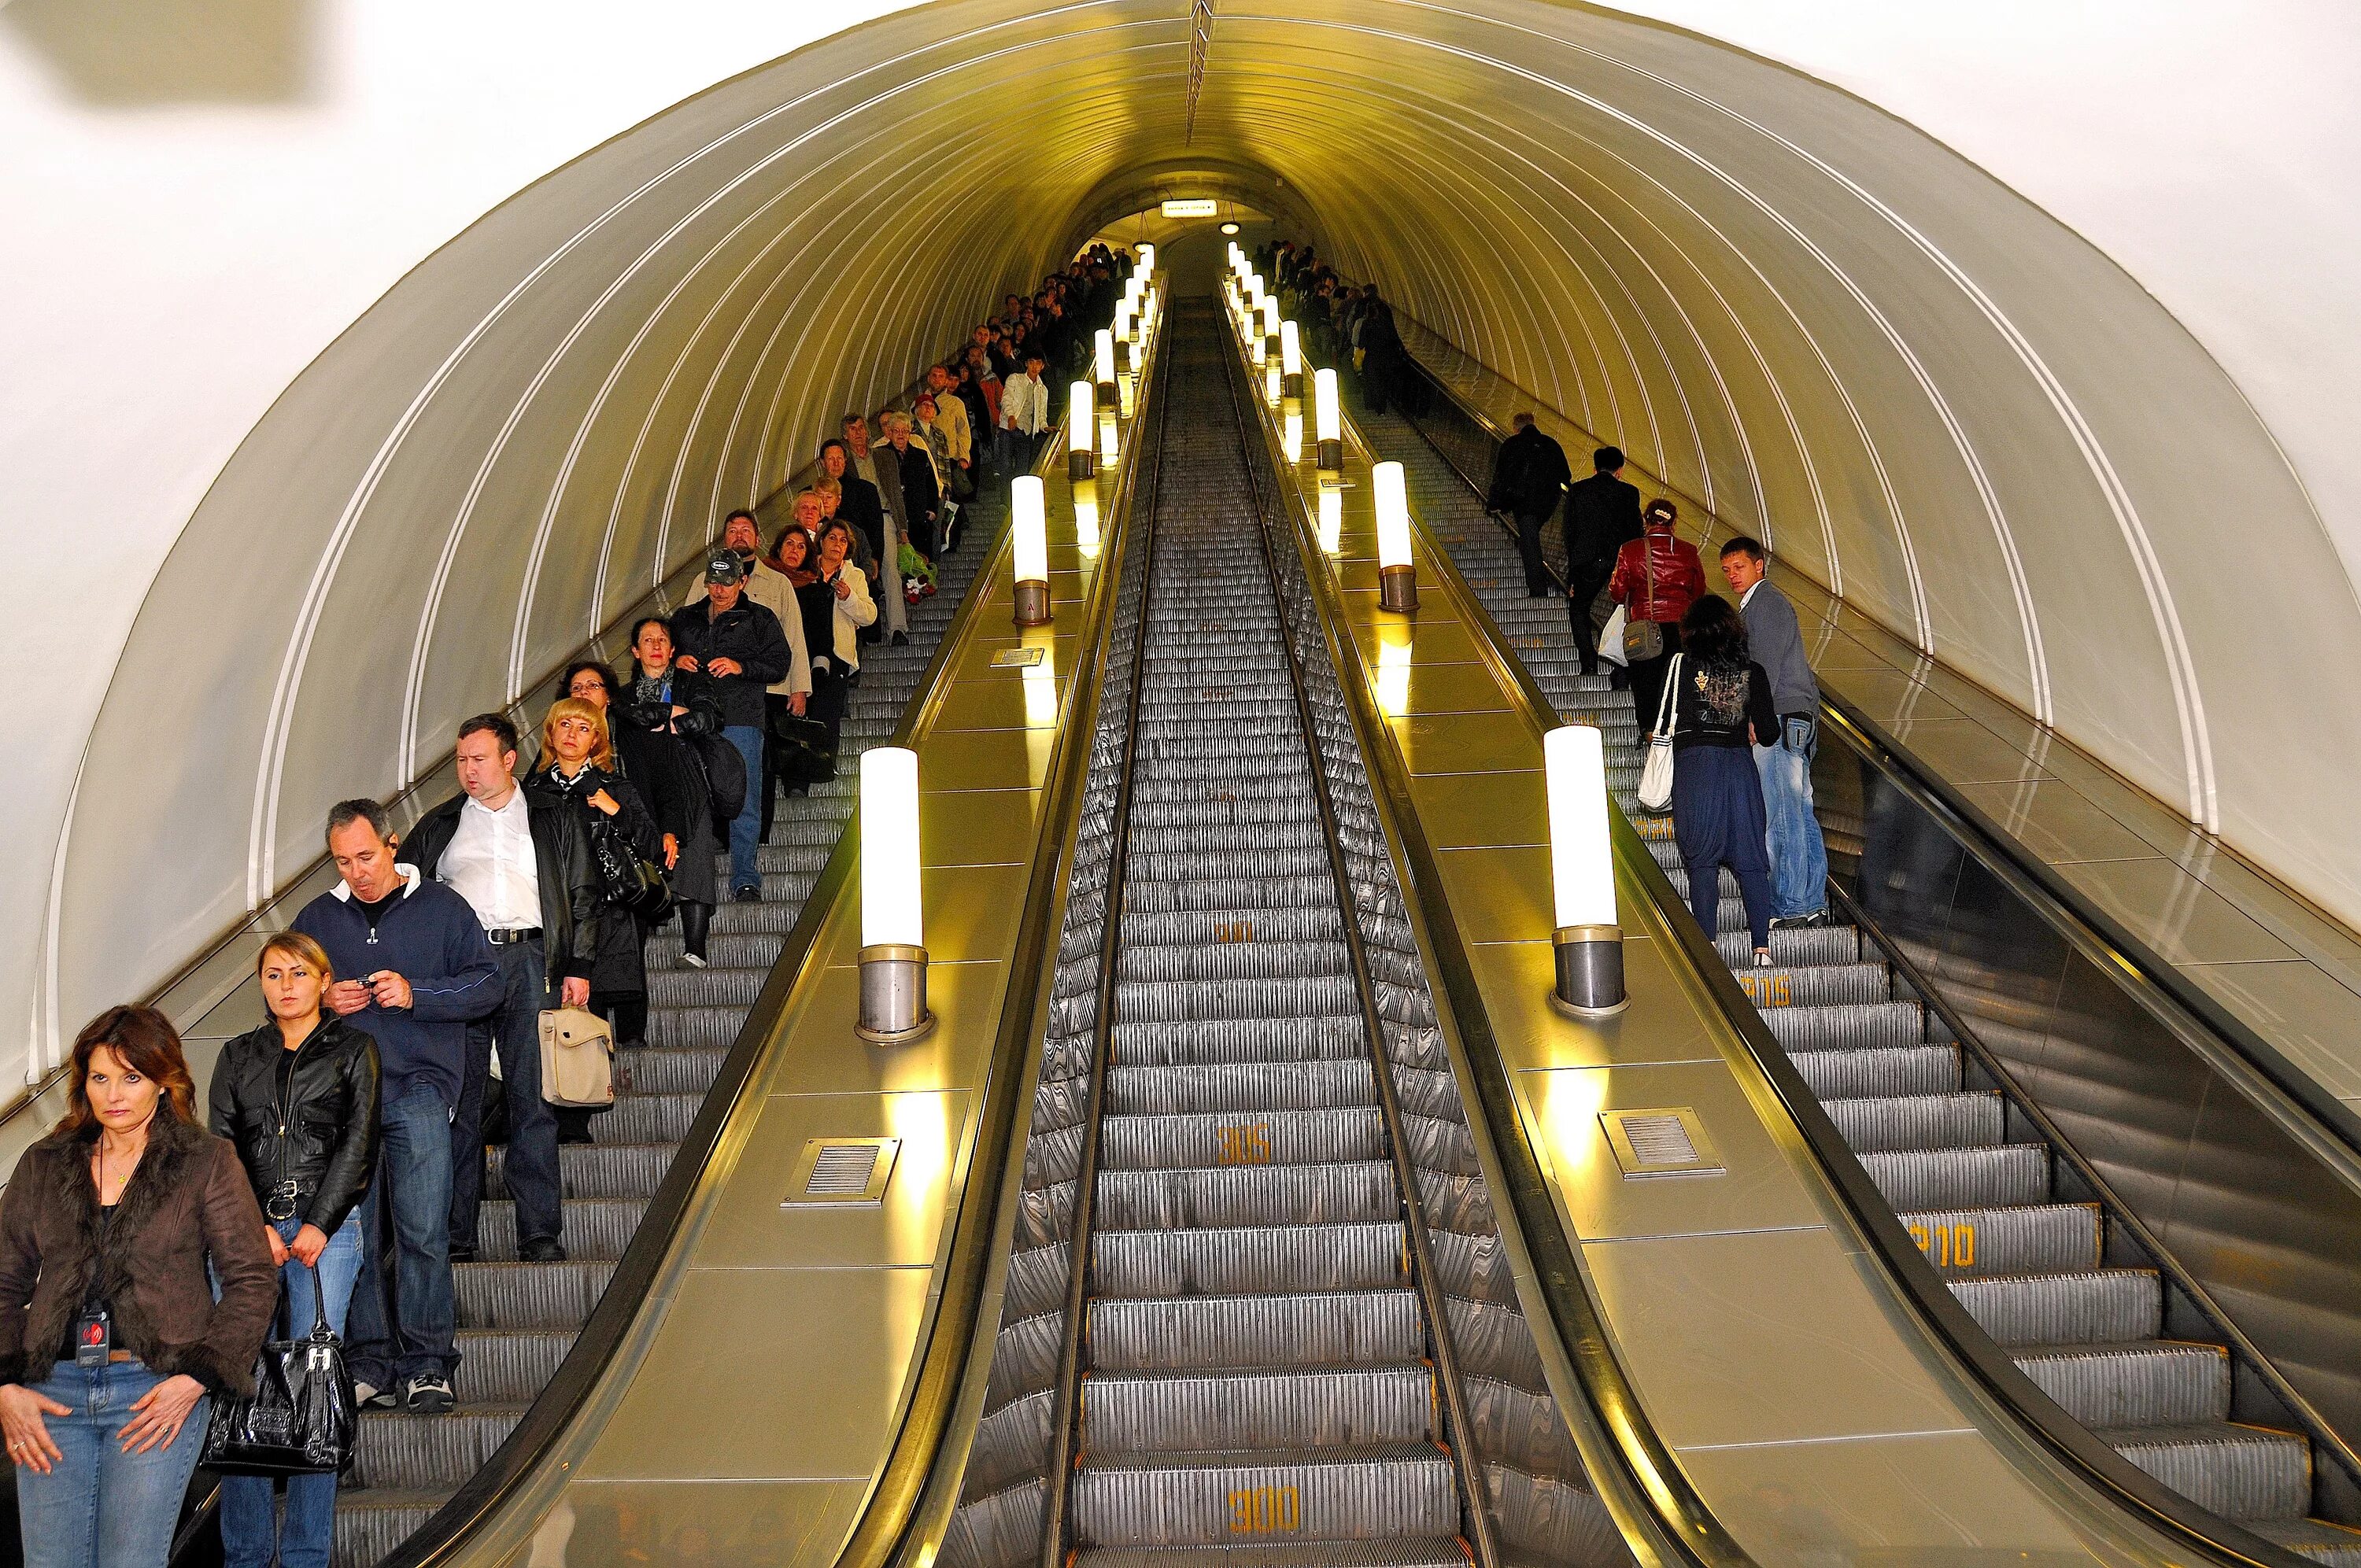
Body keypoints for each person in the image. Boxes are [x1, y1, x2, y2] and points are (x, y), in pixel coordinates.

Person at [0, 1007, 275, 1568]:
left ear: (163, 1079)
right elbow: (3, 1280)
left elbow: (251, 1277)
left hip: (153, 1393)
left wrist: (198, 1376)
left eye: (131, 1077)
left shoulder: (205, 1160)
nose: (114, 1094)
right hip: (51, 1393)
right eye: (100, 1077)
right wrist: (6, 1384)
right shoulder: (44, 1162)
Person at [293, 799, 496, 1414]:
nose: (356, 871)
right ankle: (371, 1363)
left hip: (420, 1092)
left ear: (392, 843)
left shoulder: (442, 907)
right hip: (345, 1102)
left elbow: (489, 983)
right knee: (354, 1236)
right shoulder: (319, 918)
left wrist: (418, 993)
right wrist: (324, 999)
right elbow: (283, 993)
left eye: (365, 855)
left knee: (423, 1232)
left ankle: (429, 1363)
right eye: (342, 861)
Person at [399, 714, 601, 1268]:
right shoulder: (441, 824)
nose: (467, 769)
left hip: (530, 958)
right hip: (462, 968)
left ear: (509, 759)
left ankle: (538, 1233)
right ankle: (458, 1236)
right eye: (462, 759)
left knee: (532, 1099)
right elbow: (403, 892)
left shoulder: (552, 815)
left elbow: (584, 890)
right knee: (461, 1104)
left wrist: (578, 966)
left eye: (478, 758)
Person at [208, 933, 380, 1568]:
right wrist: (250, 1227)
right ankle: (246, 1555)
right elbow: (220, 1147)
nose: (286, 984)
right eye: (274, 973)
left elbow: (359, 1142)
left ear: (323, 980)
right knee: (240, 1381)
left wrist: (321, 1223)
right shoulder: (235, 1055)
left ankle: (308, 1553)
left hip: (325, 1232)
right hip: (244, 1236)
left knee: (316, 1389)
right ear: (260, 982)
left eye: (299, 973)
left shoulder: (355, 1049)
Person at [529, 696, 667, 1141]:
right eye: (563, 724)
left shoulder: (614, 786)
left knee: (593, 1015)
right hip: (550, 916)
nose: (572, 733)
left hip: (606, 914)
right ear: (550, 734)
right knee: (557, 1015)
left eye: (583, 727)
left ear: (597, 740)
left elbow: (651, 844)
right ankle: (562, 1114)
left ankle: (584, 1104)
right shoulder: (530, 794)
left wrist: (615, 811)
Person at [1722, 537, 1831, 928]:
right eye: (1727, 570)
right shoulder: (1762, 605)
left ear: (1759, 566)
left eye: (1740, 567)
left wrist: (1755, 718)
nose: (1733, 575)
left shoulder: (1765, 605)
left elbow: (1762, 668)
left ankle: (1789, 906)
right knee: (1801, 811)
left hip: (1780, 716)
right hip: (1794, 715)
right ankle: (1813, 900)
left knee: (1783, 813)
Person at [671, 550, 793, 902]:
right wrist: (676, 660)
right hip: (692, 718)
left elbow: (779, 663)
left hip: (741, 719)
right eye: (713, 582)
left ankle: (745, 876)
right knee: (693, 798)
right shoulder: (686, 619)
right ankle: (693, 880)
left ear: (742, 582)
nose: (720, 590)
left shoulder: (760, 619)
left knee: (744, 798)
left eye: (727, 583)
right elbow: (657, 651)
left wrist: (741, 667)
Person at [1667, 596, 1779, 966]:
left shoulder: (1682, 666)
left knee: (1702, 861)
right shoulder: (1754, 671)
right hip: (1737, 766)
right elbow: (1769, 732)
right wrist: (1747, 726)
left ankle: (1707, 949)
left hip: (1697, 767)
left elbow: (1667, 713)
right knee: (1750, 857)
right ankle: (1761, 947)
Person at [691, 511, 811, 843]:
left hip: (768, 688)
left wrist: (799, 688)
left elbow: (793, 637)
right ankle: (720, 838)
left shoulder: (778, 582)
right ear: (723, 538)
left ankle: (757, 836)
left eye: (746, 530)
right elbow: (686, 633)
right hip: (714, 695)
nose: (739, 536)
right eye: (732, 530)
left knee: (761, 766)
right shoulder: (702, 584)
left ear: (757, 539)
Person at [614, 618, 722, 965]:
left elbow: (709, 719)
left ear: (673, 649)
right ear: (635, 650)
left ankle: (696, 948)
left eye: (662, 639)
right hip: (642, 787)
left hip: (691, 781)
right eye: (647, 640)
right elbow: (627, 718)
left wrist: (674, 722)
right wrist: (668, 712)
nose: (656, 646)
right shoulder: (624, 696)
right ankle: (640, 950)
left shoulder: (691, 682)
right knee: (646, 857)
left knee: (697, 857)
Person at [1609, 497, 1705, 741]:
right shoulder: (1689, 551)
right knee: (1678, 683)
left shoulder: (1630, 549)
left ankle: (1652, 735)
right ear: (1674, 523)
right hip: (1682, 628)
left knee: (1645, 685)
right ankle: (1679, 734)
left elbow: (1617, 592)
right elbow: (1698, 591)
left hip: (1644, 628)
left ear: (1646, 521)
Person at [1563, 446, 1644, 678]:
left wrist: (1572, 575)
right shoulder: (1630, 493)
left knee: (1579, 608)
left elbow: (1570, 533)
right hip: (1620, 562)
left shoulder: (1577, 491)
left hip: (1587, 563)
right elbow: (1635, 531)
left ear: (1595, 468)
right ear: (1620, 470)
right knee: (1624, 613)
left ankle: (1588, 663)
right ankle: (1621, 672)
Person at [799, 520, 876, 756]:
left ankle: (826, 765)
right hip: (805, 650)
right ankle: (801, 774)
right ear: (821, 541)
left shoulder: (854, 576)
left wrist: (849, 598)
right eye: (832, 538)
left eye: (843, 541)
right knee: (804, 710)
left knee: (830, 712)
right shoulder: (805, 571)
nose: (837, 544)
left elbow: (869, 615)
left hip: (837, 654)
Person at [1487, 413, 1572, 597]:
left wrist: (1494, 503)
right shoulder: (1551, 444)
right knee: (1530, 537)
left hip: (1522, 502)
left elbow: (1501, 477)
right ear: (1533, 423)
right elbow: (1566, 475)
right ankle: (1542, 580)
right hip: (1549, 502)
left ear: (1515, 428)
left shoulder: (1511, 444)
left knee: (1529, 540)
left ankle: (1538, 589)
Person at [840, 415, 909, 642]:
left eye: (861, 428)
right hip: (858, 524)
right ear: (845, 436)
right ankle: (865, 631)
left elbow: (896, 495)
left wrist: (903, 529)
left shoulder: (885, 457)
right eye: (853, 429)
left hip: (885, 517)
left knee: (890, 570)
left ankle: (898, 628)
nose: (859, 433)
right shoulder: (845, 464)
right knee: (859, 573)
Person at [881, 410, 942, 564]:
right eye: (896, 431)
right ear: (890, 432)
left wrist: (932, 510)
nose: (901, 435)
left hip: (920, 518)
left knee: (924, 564)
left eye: (905, 431)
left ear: (910, 433)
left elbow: (931, 484)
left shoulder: (920, 455)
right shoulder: (882, 456)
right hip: (896, 519)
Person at [1000, 351, 1052, 481]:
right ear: (1026, 364)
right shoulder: (1015, 379)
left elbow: (1041, 414)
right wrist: (1011, 416)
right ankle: (1004, 500)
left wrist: (1045, 427)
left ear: (1042, 366)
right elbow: (1006, 399)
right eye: (1031, 363)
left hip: (1027, 433)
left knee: (1022, 470)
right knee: (1006, 466)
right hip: (1009, 428)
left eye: (1038, 363)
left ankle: (1016, 499)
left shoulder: (1042, 389)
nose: (1034, 367)